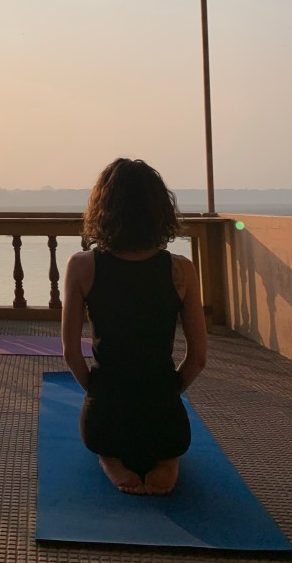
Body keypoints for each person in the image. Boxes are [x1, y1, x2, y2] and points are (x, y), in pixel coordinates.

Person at [62, 158, 207, 496]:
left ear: (104, 209)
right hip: (166, 420)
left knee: (105, 435)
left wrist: (99, 391)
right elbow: (198, 357)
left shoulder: (82, 266)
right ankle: (164, 459)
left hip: (106, 418)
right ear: (160, 211)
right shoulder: (181, 270)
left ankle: (111, 456)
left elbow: (71, 354)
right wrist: (167, 392)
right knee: (165, 438)